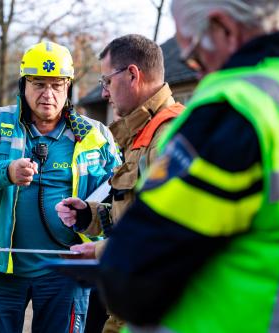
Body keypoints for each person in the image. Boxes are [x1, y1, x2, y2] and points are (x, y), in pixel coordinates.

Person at [97, 0, 279, 332]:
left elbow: (131, 275)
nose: (198, 73)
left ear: (224, 30)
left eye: (193, 57)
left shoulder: (236, 109)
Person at [0, 41, 120, 333]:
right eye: (39, 84)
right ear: (23, 84)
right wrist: (5, 171)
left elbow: (119, 194)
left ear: (68, 87)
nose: (48, 94)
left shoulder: (95, 134)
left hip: (67, 271)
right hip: (2, 269)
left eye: (57, 85)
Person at [55, 34, 184, 333]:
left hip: (155, 310)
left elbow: (170, 231)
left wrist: (99, 252)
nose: (103, 94)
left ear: (132, 75)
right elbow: (137, 212)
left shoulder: (168, 138)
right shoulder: (142, 134)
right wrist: (90, 214)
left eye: (106, 82)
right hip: (132, 303)